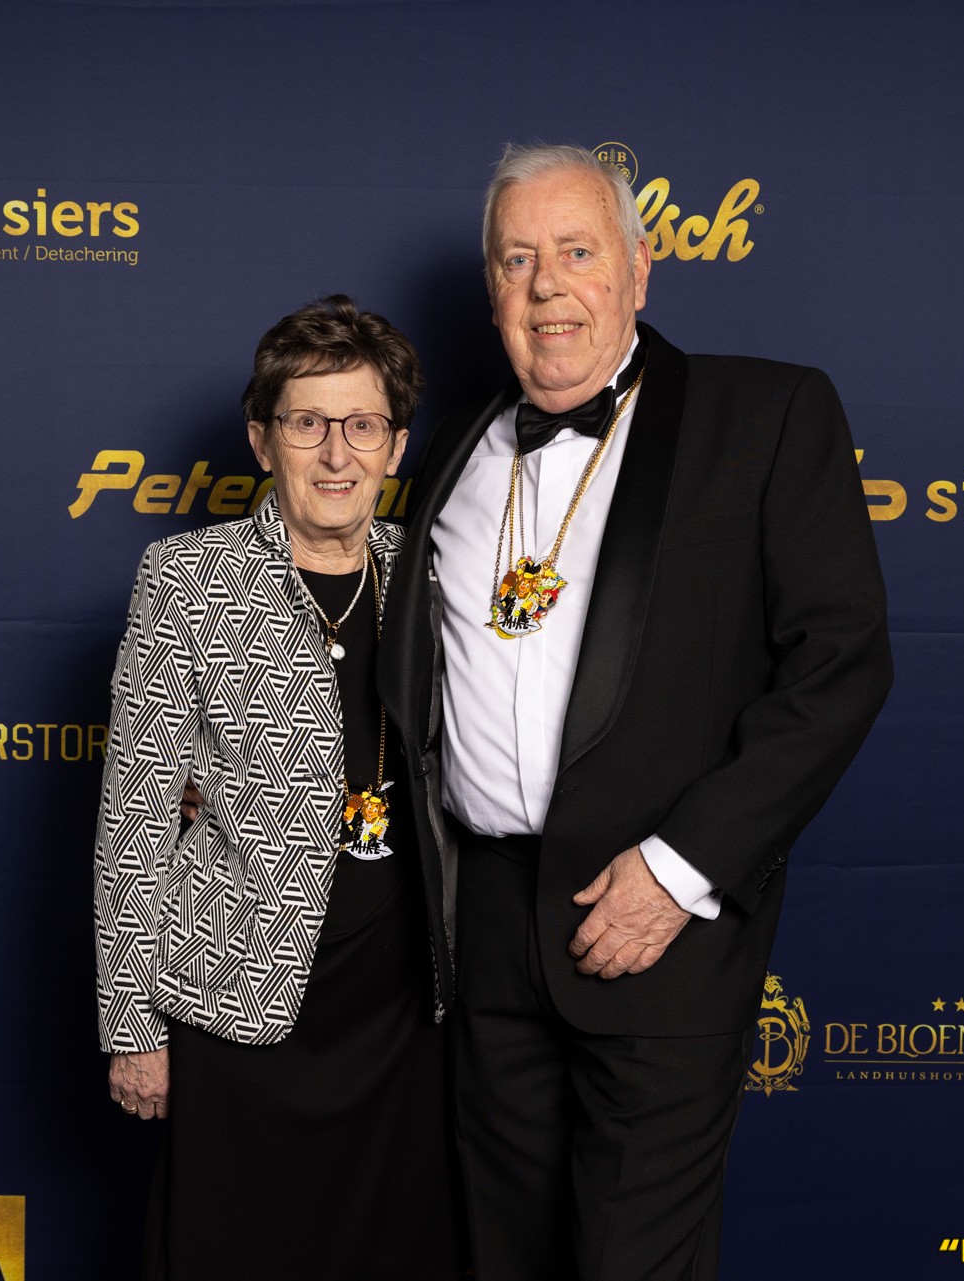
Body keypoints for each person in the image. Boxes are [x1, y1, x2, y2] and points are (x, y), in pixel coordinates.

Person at [378, 145, 893, 1280]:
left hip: (659, 929)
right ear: (491, 290)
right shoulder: (454, 448)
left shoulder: (766, 415)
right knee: (500, 1257)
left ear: (640, 269)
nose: (546, 286)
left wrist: (679, 869)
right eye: (517, 259)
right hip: (486, 939)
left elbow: (842, 665)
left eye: (577, 251)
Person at [94, 296, 461, 1280]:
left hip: (403, 1012)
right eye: (307, 423)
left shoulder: (435, 578)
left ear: (397, 446)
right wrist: (132, 1025)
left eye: (363, 425)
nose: (337, 453)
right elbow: (135, 815)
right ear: (263, 440)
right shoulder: (188, 580)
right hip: (238, 997)